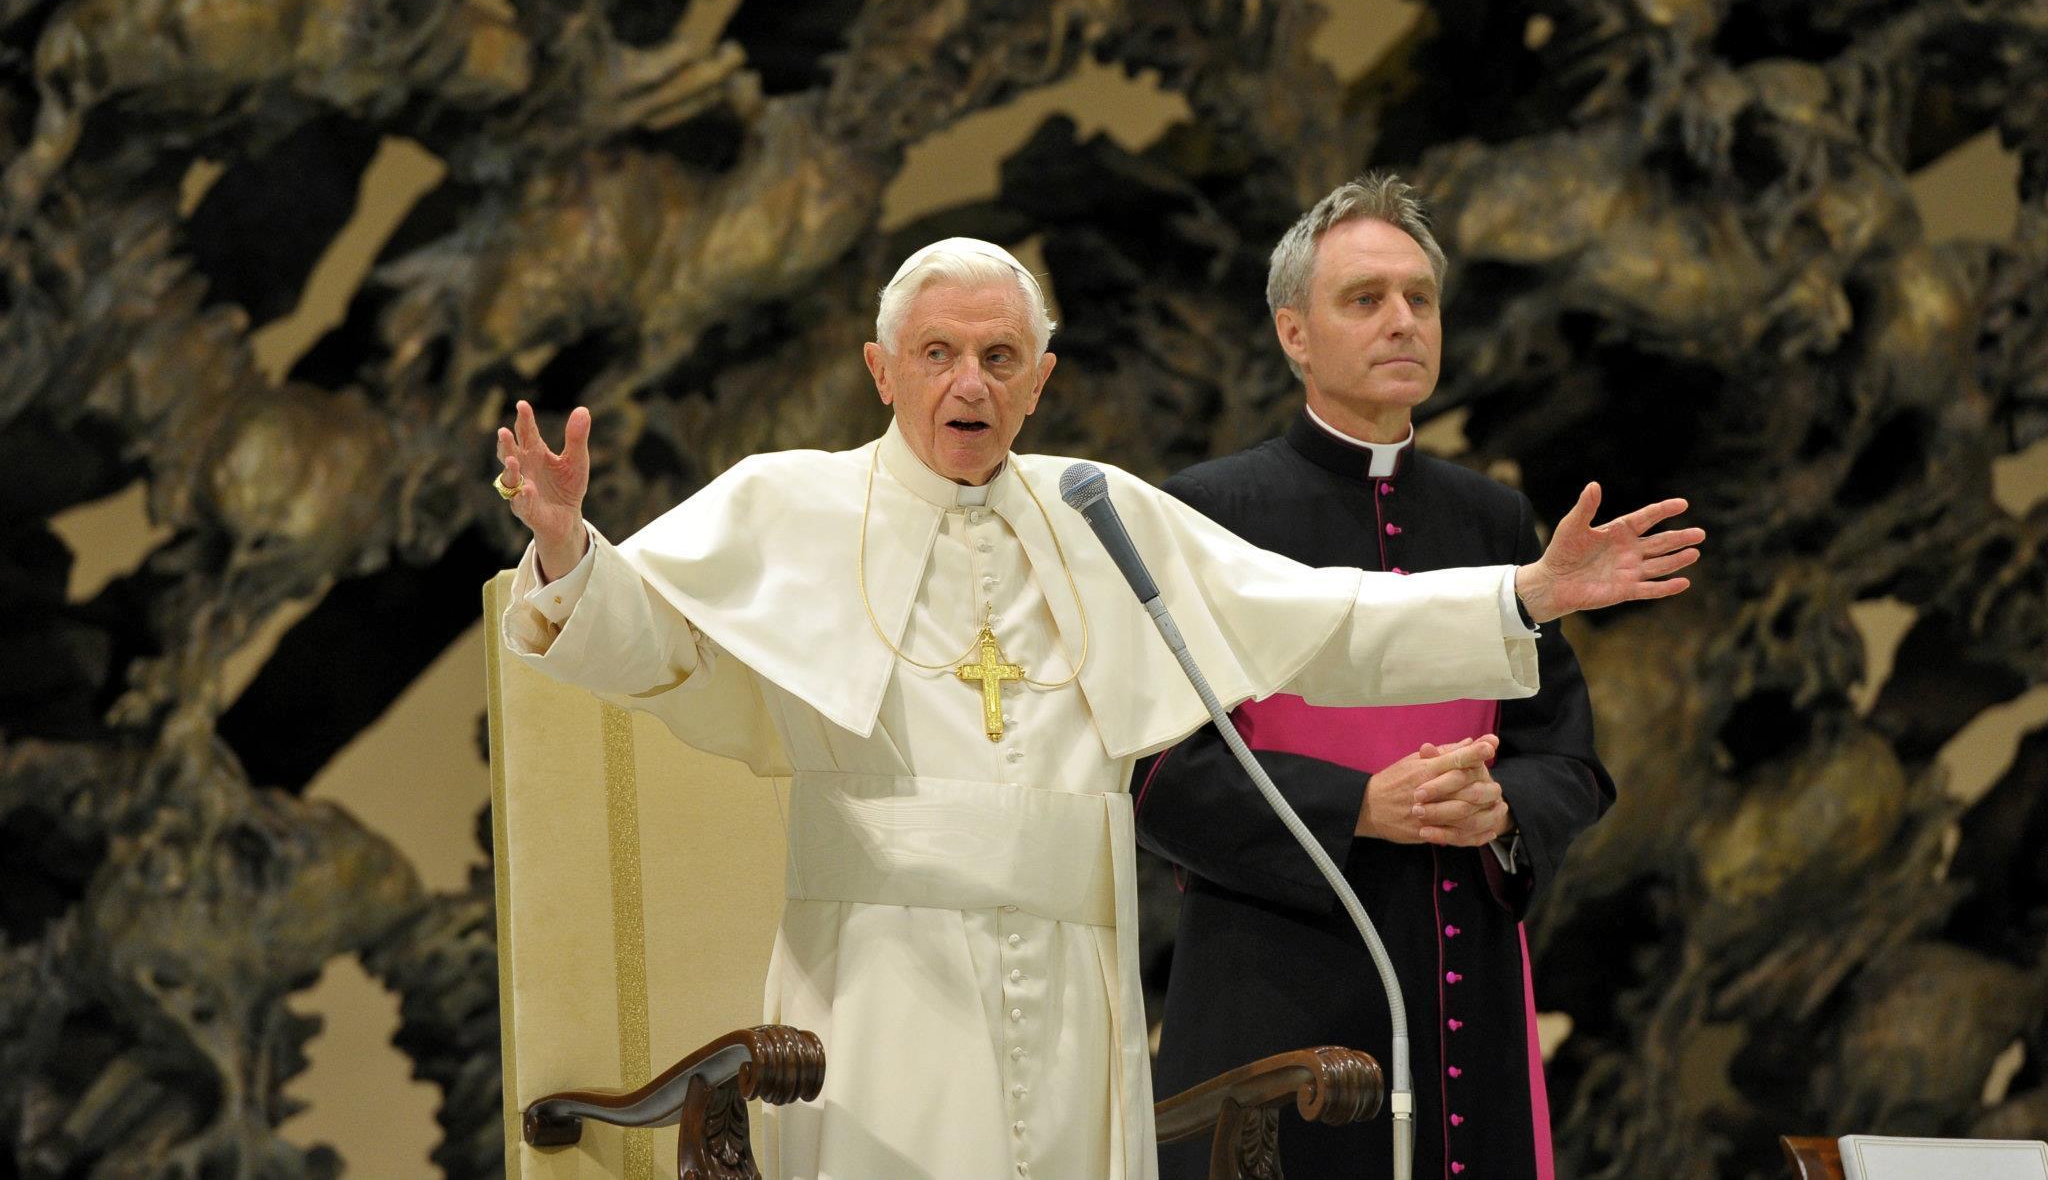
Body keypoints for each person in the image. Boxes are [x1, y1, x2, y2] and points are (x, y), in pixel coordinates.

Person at [490, 236, 1701, 1180]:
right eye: (936, 353)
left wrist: (1525, 592)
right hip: (880, 980)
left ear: (1040, 380)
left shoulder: (1097, 515)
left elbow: (1319, 617)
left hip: (1077, 982)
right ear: (880, 369)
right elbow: (655, 645)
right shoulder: (784, 507)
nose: (969, 382)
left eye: (1000, 356)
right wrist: (566, 551)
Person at [1136, 174, 1639, 1180]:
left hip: (1469, 981)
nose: (1402, 321)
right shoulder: (1206, 513)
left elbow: (1567, 760)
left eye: (1420, 298)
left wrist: (1501, 805)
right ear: (1293, 333)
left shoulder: (1491, 520)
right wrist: (1359, 805)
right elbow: (1155, 775)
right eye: (1364, 299)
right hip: (1278, 993)